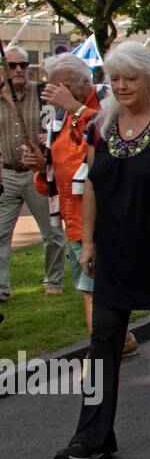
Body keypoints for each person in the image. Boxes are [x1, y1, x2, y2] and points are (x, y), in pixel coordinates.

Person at [53, 43, 150, 459]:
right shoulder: (101, 125)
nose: (120, 86)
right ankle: (92, 436)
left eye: (129, 78)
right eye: (114, 79)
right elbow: (94, 183)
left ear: (149, 79)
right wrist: (89, 241)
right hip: (113, 254)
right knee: (102, 342)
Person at [26, 54, 131, 356]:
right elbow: (52, 178)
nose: (56, 93)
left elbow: (112, 137)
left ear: (85, 82)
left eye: (64, 87)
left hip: (103, 215)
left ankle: (102, 349)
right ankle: (121, 341)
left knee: (91, 287)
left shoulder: (105, 103)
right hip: (73, 218)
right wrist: (39, 165)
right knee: (89, 286)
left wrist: (76, 107)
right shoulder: (58, 118)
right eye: (52, 88)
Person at [0, 45, 66, 299]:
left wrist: (48, 136)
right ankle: (1, 291)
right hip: (7, 174)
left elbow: (59, 121)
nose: (19, 70)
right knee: (1, 235)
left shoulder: (42, 94)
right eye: (13, 65)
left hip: (37, 174)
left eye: (23, 65)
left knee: (52, 232)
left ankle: (54, 281)